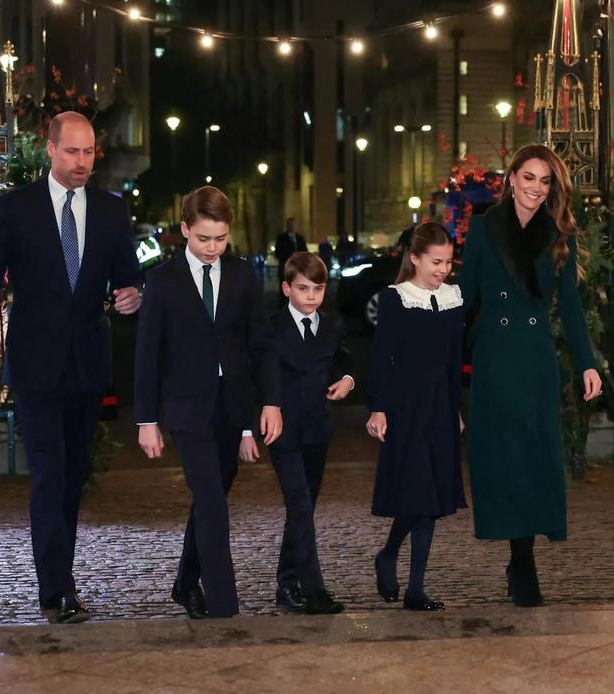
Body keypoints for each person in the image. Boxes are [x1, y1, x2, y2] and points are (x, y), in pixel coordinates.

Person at [0, 112, 141, 624]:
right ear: (50, 149)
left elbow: (128, 277)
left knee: (71, 476)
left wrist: (133, 295)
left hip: (87, 364)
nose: (82, 162)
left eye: (89, 152)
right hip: (35, 365)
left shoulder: (111, 209)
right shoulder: (15, 208)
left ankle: (60, 582)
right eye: (72, 151)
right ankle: (58, 590)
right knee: (47, 472)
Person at [459, 144, 602, 607]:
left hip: (535, 359)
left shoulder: (559, 234)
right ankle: (519, 559)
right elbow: (465, 296)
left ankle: (524, 560)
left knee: (534, 456)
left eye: (545, 181)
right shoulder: (483, 228)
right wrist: (431, 343)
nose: (536, 189)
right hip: (495, 357)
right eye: (529, 178)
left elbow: (571, 306)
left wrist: (587, 362)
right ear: (512, 178)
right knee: (504, 457)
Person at [134, 185, 282, 619]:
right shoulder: (162, 280)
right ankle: (224, 607)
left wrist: (268, 404)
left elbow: (261, 345)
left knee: (209, 498)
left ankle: (185, 583)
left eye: (220, 238)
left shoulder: (242, 276)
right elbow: (147, 353)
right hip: (186, 408)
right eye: (203, 238)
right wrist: (146, 419)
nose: (213, 247)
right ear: (185, 229)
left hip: (233, 406)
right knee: (213, 503)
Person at [239, 252, 353, 615]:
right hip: (282, 432)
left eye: (318, 289)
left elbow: (344, 360)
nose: (311, 296)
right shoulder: (270, 328)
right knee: (300, 506)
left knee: (303, 510)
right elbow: (251, 379)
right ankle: (314, 591)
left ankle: (286, 584)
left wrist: (348, 380)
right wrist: (247, 428)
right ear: (287, 288)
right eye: (303, 288)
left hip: (318, 430)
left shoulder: (331, 326)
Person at [366, 223, 466, 611]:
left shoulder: (453, 298)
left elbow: (454, 362)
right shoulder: (396, 298)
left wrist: (456, 409)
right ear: (415, 258)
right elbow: (382, 356)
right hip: (405, 407)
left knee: (431, 499)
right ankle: (389, 553)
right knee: (417, 493)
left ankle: (415, 589)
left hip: (440, 407)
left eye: (448, 262)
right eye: (436, 262)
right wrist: (378, 408)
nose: (443, 269)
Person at [275, 217, 307, 305]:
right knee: (284, 292)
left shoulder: (300, 238)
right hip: (285, 269)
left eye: (294, 224)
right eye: (291, 224)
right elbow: (277, 253)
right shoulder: (281, 238)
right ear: (287, 226)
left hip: (298, 270)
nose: (293, 226)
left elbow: (305, 252)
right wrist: (290, 254)